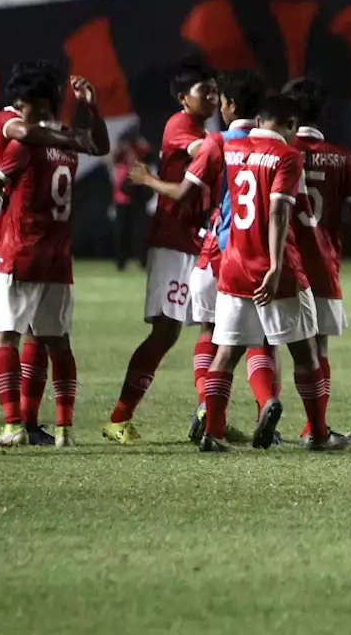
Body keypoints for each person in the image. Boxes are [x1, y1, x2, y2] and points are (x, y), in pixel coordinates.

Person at [0, 61, 105, 447]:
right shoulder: (31, 128)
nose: (18, 108)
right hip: (55, 252)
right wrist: (74, 129)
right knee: (44, 337)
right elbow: (95, 145)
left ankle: (15, 424)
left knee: (10, 335)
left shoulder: (26, 142)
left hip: (16, 247)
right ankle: (50, 427)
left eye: (25, 101)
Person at [198, 95, 351, 452]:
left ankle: (214, 431)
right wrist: (275, 265)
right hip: (274, 271)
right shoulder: (287, 156)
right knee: (306, 353)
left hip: (233, 265)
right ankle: (317, 433)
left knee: (226, 352)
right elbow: (279, 213)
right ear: (288, 126)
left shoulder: (234, 151)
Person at [102, 63, 224, 444]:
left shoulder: (206, 131)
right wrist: (244, 139)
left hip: (200, 242)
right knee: (165, 332)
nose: (212, 96)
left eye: (215, 90)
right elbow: (203, 151)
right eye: (204, 89)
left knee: (216, 328)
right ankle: (119, 417)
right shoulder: (180, 126)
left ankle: (209, 414)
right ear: (182, 98)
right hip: (173, 242)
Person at [282, 77, 351, 446]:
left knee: (263, 344)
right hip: (322, 261)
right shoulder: (340, 156)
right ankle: (316, 427)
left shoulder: (280, 151)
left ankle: (260, 407)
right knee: (319, 348)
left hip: (282, 259)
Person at [188, 70, 268, 446]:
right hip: (255, 253)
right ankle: (264, 406)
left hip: (216, 251)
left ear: (231, 104)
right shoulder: (273, 146)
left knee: (210, 333)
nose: (217, 106)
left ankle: (207, 409)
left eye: (221, 100)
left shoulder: (216, 142)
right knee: (260, 340)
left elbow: (186, 191)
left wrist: (148, 181)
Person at [111, 124, 152, 271]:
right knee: (122, 232)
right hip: (122, 198)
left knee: (140, 231)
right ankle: (121, 261)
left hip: (138, 198)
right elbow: (113, 159)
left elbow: (145, 158)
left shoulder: (140, 149)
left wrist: (131, 148)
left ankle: (141, 259)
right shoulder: (120, 153)